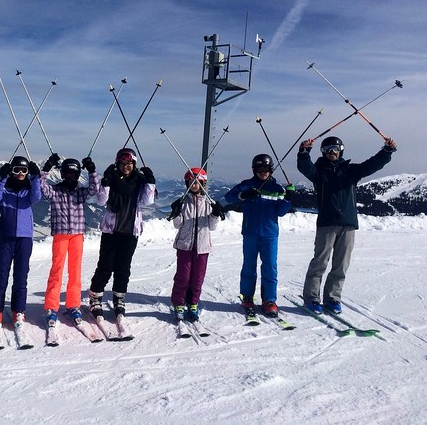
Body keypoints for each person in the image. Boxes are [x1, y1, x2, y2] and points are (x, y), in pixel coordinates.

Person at [298, 135, 397, 314]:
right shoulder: (318, 172)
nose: (332, 153)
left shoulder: (351, 170)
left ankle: (332, 299)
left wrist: (386, 151)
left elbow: (372, 165)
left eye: (335, 149)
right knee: (320, 262)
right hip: (327, 223)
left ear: (341, 150)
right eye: (327, 150)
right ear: (323, 152)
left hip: (348, 224)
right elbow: (304, 167)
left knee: (341, 264)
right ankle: (312, 298)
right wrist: (304, 152)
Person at [220, 154, 293, 317]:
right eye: (259, 169)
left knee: (270, 267)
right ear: (254, 169)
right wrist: (243, 195)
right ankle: (247, 297)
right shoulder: (247, 185)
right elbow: (229, 197)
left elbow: (280, 212)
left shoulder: (277, 189)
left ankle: (269, 300)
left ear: (271, 169)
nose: (263, 172)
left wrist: (288, 199)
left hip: (270, 234)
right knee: (249, 265)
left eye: (266, 168)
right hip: (251, 232)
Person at [88, 147, 156, 320]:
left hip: (130, 232)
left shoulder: (139, 181)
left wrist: (150, 181)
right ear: (118, 164)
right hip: (111, 230)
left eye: (130, 163)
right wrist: (106, 181)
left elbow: (148, 200)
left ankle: (119, 298)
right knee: (105, 266)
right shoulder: (111, 179)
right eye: (123, 163)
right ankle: (95, 297)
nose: (126, 166)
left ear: (134, 164)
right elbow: (102, 200)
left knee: (123, 268)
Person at [40, 154, 99, 328]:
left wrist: (92, 171)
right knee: (57, 270)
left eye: (74, 174)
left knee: (75, 271)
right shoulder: (55, 191)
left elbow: (94, 190)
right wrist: (47, 167)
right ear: (63, 174)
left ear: (78, 174)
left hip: (77, 235)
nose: (70, 177)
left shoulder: (80, 193)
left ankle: (73, 305)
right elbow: (41, 186)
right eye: (67, 174)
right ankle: (51, 306)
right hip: (60, 235)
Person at [0, 155, 42, 334]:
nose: (20, 173)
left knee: (21, 275)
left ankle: (18, 309)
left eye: (24, 170)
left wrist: (35, 178)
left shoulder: (28, 191)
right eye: (16, 170)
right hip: (6, 237)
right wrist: (1, 178)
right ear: (11, 171)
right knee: (1, 274)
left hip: (24, 238)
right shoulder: (5, 191)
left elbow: (37, 197)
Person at [169, 168, 224, 322]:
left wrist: (215, 214)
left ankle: (193, 303)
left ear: (203, 183)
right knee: (183, 277)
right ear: (187, 184)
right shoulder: (183, 202)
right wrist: (176, 212)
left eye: (197, 182)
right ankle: (179, 303)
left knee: (197, 278)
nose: (194, 185)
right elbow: (177, 224)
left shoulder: (208, 202)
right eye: (191, 182)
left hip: (203, 246)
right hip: (185, 245)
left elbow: (212, 227)